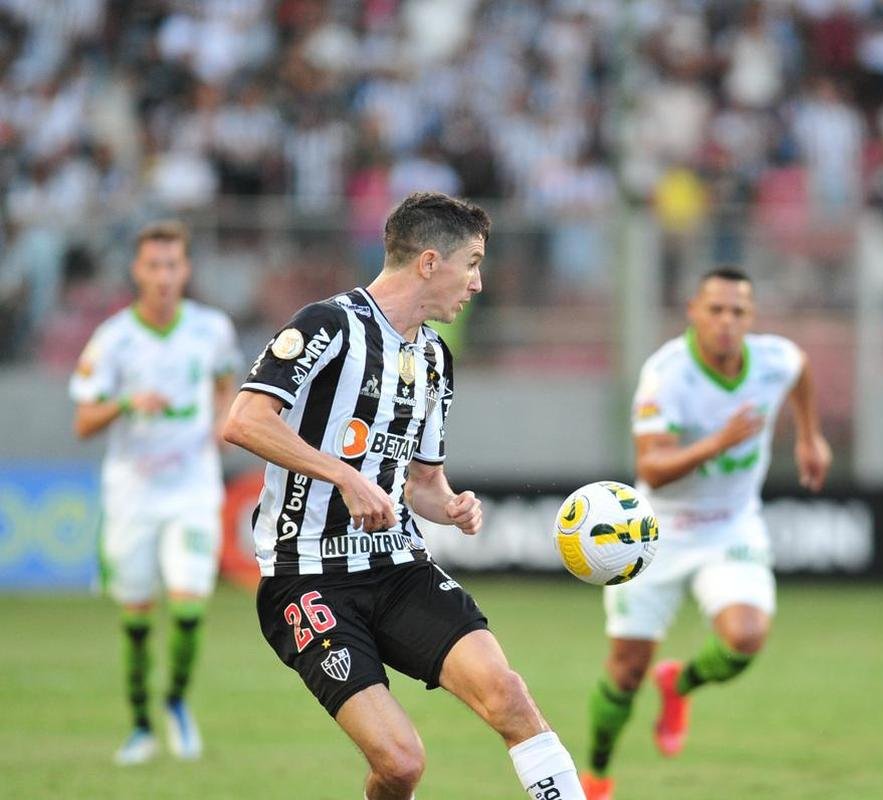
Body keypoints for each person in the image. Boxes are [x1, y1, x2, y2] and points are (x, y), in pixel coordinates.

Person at [222, 192, 586, 800]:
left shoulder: (436, 358)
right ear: (429, 262)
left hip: (398, 568)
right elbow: (244, 420)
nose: (477, 284)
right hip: (307, 577)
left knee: (509, 696)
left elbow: (423, 484)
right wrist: (344, 476)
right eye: (472, 264)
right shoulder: (328, 326)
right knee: (400, 764)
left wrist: (452, 506)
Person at [580, 268, 831, 800]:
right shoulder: (666, 374)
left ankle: (679, 684)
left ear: (751, 317)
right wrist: (719, 441)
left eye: (738, 312)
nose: (726, 321)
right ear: (693, 311)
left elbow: (801, 370)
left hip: (730, 526)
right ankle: (597, 775)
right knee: (625, 672)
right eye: (715, 309)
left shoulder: (774, 359)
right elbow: (652, 468)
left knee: (746, 638)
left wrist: (810, 437)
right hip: (654, 531)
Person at [70, 221, 242, 764]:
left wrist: (221, 422)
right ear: (137, 271)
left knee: (189, 606)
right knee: (138, 615)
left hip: (192, 487)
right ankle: (141, 724)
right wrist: (126, 402)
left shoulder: (212, 328)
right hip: (133, 492)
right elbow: (83, 421)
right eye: (154, 266)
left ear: (185, 270)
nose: (164, 276)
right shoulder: (113, 338)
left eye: (172, 265)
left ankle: (176, 703)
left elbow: (226, 383)